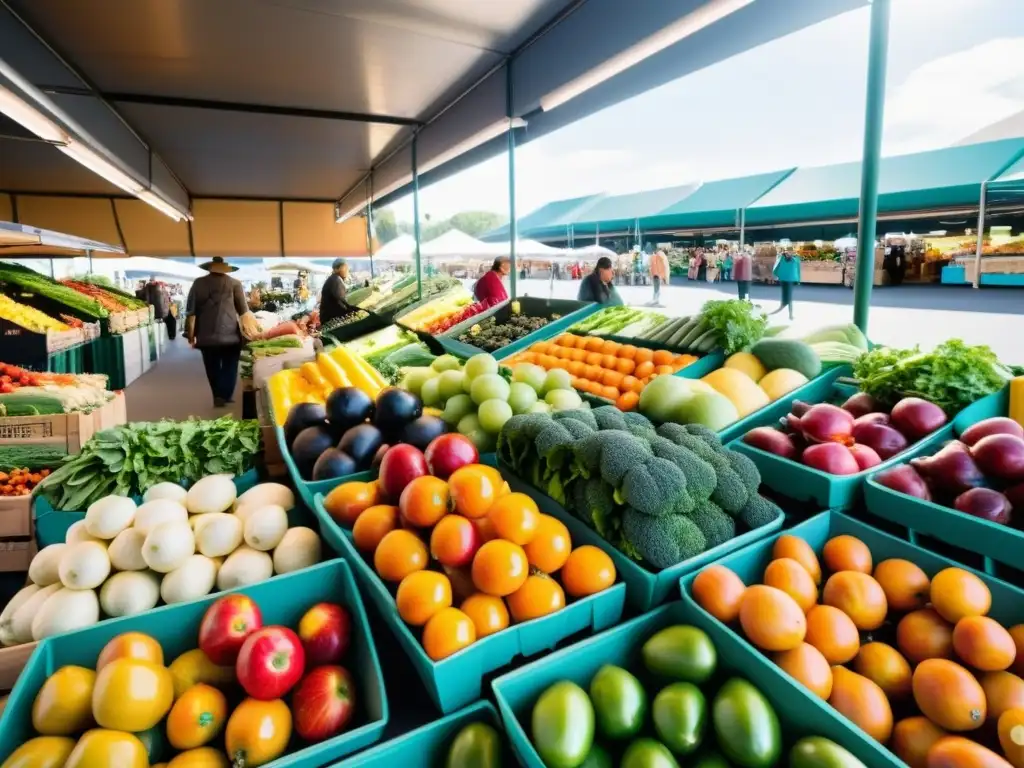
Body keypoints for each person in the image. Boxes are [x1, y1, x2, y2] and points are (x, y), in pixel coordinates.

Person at [185, 257, 248, 408]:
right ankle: (224, 394)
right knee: (230, 365)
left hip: (206, 336)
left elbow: (190, 312)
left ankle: (217, 395)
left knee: (211, 366)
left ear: (209, 268)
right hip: (231, 335)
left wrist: (190, 335)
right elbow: (244, 311)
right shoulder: (235, 284)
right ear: (226, 269)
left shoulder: (198, 283)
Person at [771, 249, 802, 320]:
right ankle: (790, 314)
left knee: (785, 294)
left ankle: (783, 306)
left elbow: (776, 267)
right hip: (789, 280)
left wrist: (777, 274)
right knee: (789, 296)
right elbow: (798, 270)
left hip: (783, 279)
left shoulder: (782, 258)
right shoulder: (795, 259)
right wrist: (798, 280)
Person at [319, 258, 352, 325]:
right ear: (336, 269)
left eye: (347, 268)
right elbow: (342, 303)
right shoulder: (336, 280)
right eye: (344, 268)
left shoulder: (333, 278)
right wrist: (354, 310)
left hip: (329, 319)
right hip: (331, 321)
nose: (347, 270)